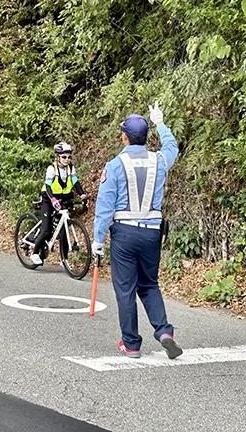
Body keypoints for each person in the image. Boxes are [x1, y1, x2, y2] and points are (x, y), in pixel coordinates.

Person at [91, 101, 182, 360]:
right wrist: (160, 122)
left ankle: (131, 344)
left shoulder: (115, 165)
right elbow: (172, 147)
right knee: (149, 284)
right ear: (146, 137)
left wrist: (98, 240)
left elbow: (105, 207)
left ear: (124, 136)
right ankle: (164, 331)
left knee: (125, 289)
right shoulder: (159, 160)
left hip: (124, 233)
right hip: (152, 233)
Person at [30, 142, 88, 266]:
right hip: (48, 197)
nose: (67, 159)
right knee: (46, 229)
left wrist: (82, 194)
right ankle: (34, 253)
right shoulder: (52, 169)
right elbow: (48, 186)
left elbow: (75, 182)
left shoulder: (70, 168)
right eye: (64, 157)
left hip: (64, 197)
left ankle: (64, 259)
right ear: (58, 157)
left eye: (69, 157)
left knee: (64, 230)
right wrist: (52, 200)